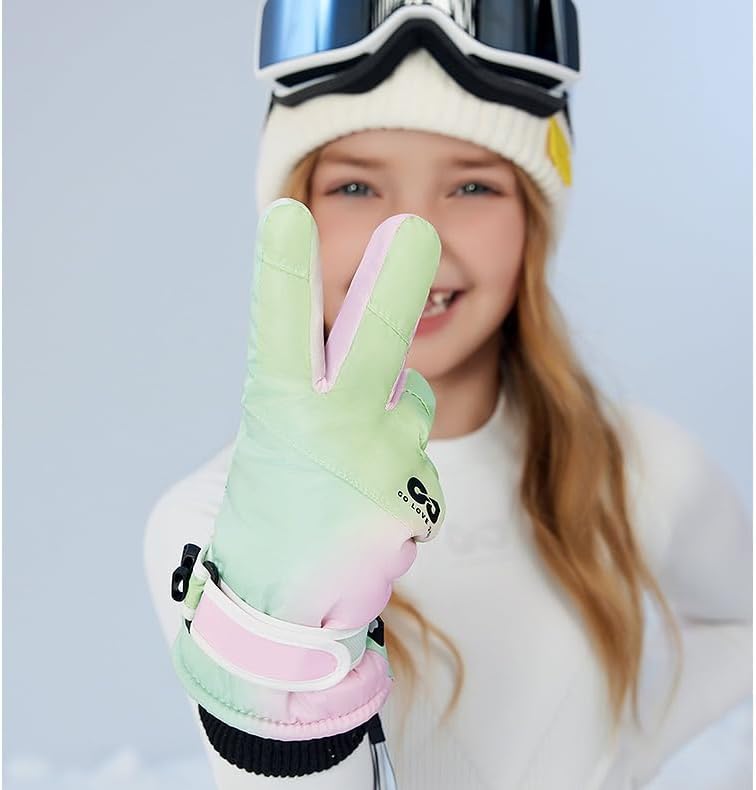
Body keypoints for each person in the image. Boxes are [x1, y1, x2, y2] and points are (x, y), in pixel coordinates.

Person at [143, 3, 752, 788]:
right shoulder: (211, 524)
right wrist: (277, 645)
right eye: (356, 185)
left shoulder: (641, 464)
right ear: (294, 221)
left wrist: (619, 746)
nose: (412, 239)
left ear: (533, 222)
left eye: (471, 185)